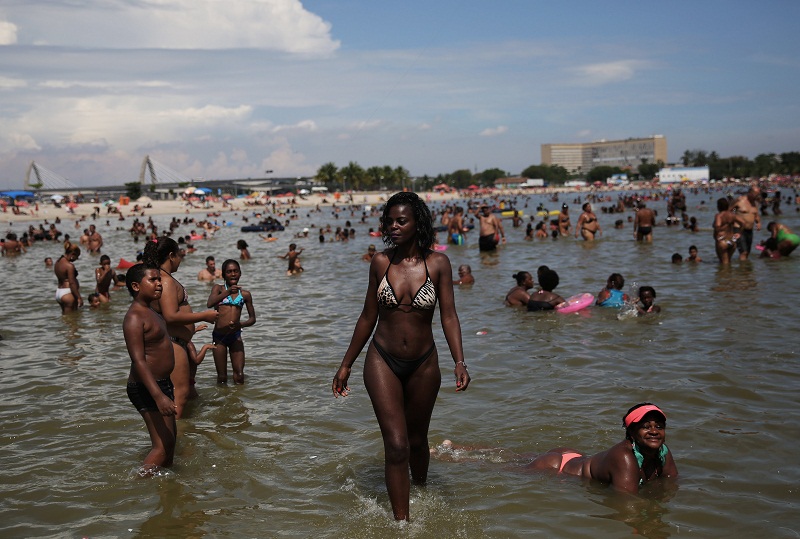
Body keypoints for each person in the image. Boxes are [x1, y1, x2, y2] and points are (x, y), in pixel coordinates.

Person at [332, 191, 470, 521]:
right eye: (389, 221)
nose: (393, 226)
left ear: (416, 224)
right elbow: (368, 315)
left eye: (401, 221)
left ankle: (419, 491)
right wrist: (346, 364)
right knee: (397, 445)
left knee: (418, 441)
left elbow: (448, 315)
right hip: (382, 359)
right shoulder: (381, 262)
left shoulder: (438, 263)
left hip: (424, 363)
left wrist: (459, 361)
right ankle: (402, 525)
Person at [522, 403, 678, 493]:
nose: (654, 431)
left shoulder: (663, 452)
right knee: (504, 466)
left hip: (577, 457)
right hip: (558, 465)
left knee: (519, 458)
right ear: (631, 432)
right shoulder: (625, 456)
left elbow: (671, 482)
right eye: (646, 427)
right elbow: (627, 500)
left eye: (659, 426)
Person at [146, 237, 218, 419]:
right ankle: (176, 442)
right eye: (179, 255)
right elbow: (171, 315)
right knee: (180, 395)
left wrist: (192, 329)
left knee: (182, 394)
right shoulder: (167, 280)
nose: (180, 259)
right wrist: (204, 315)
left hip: (174, 342)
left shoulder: (161, 278)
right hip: (173, 344)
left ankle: (182, 436)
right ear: (171, 256)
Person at [123, 263, 178, 473]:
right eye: (152, 280)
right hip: (147, 387)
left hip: (162, 383)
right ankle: (136, 486)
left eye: (159, 279)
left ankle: (169, 495)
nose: (159, 283)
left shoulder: (152, 311)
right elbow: (138, 360)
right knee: (162, 446)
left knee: (170, 444)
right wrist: (158, 396)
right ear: (136, 286)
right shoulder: (134, 317)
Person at [207, 259, 256, 384]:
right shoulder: (218, 289)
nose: (233, 274)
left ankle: (238, 402)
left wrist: (240, 324)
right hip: (219, 337)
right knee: (222, 377)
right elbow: (210, 303)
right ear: (223, 275)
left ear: (240, 273)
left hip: (235, 336)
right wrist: (227, 292)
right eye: (229, 272)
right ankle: (223, 402)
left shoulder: (245, 295)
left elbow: (252, 319)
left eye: (235, 271)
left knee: (239, 375)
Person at [731, 185, 762, 260]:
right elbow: (730, 210)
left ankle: (745, 270)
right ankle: (743, 270)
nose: (757, 196)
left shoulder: (755, 203)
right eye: (755, 194)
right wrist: (735, 217)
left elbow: (756, 214)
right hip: (738, 229)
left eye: (758, 194)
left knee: (747, 252)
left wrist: (758, 222)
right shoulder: (740, 200)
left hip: (749, 230)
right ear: (750, 193)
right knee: (743, 252)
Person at [55, 245, 82, 313]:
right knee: (71, 321)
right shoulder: (69, 266)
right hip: (68, 293)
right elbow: (72, 283)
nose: (76, 259)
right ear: (73, 254)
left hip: (59, 292)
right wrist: (79, 298)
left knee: (65, 319)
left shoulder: (57, 262)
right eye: (77, 257)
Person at [712, 197, 737, 264]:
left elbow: (717, 226)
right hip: (732, 240)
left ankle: (725, 274)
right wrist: (739, 233)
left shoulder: (719, 215)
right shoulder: (732, 215)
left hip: (723, 240)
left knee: (724, 263)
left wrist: (718, 235)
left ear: (719, 206)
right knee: (728, 261)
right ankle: (730, 274)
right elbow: (742, 222)